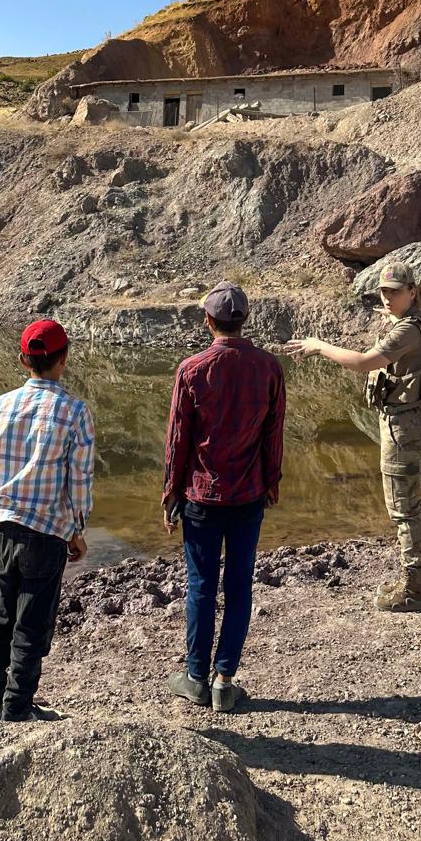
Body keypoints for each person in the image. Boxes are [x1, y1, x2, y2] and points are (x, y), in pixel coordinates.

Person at [286, 262, 421, 612]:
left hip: (404, 426)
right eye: (384, 292)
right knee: (408, 507)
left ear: (413, 292)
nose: (387, 298)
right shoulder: (411, 321)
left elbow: (361, 362)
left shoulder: (406, 331)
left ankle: (416, 592)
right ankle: (415, 583)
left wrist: (319, 346)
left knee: (404, 510)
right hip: (406, 421)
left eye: (395, 291)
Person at [163, 281, 286, 713]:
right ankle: (224, 681)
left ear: (208, 321)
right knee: (239, 586)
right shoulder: (268, 367)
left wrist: (171, 493)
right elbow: (274, 434)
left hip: (201, 497)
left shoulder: (192, 369)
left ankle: (195, 677)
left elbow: (179, 439)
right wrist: (271, 482)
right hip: (249, 495)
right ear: (244, 320)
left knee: (200, 586)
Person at [0, 319, 94, 722]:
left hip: (2, 527)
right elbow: (79, 479)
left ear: (23, 359)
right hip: (45, 533)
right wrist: (76, 530)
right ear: (64, 359)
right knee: (31, 624)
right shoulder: (75, 411)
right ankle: (17, 708)